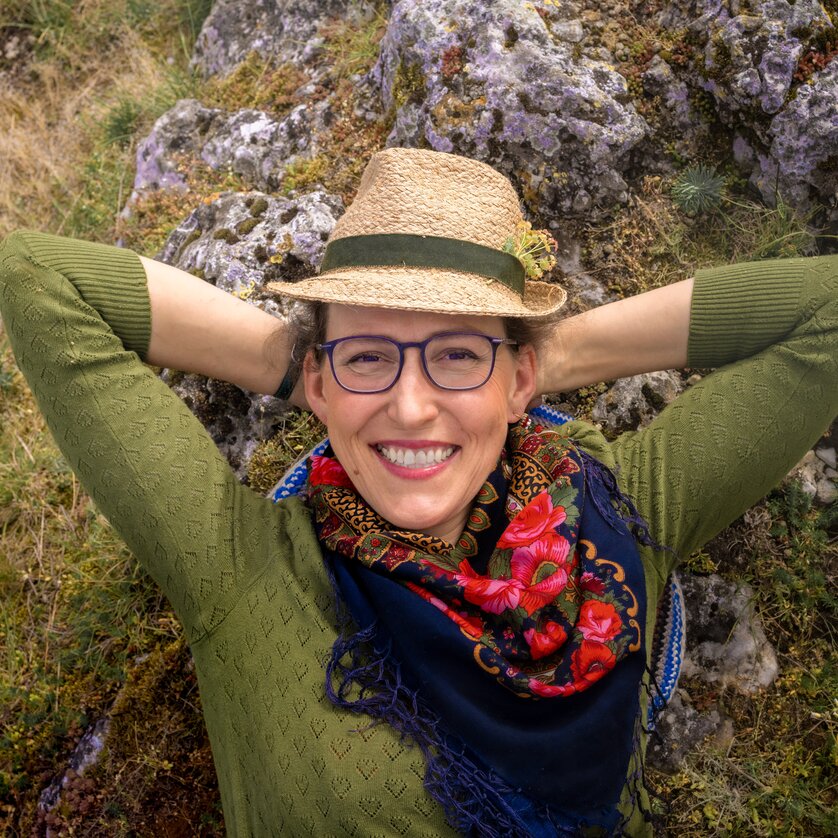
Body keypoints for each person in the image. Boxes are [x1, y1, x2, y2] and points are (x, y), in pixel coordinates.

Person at [0, 147, 835, 837]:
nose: (408, 405)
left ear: (519, 380)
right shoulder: (239, 570)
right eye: (369, 357)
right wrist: (309, 371)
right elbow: (35, 273)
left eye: (458, 355)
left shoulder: (621, 507)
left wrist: (550, 355)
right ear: (320, 381)